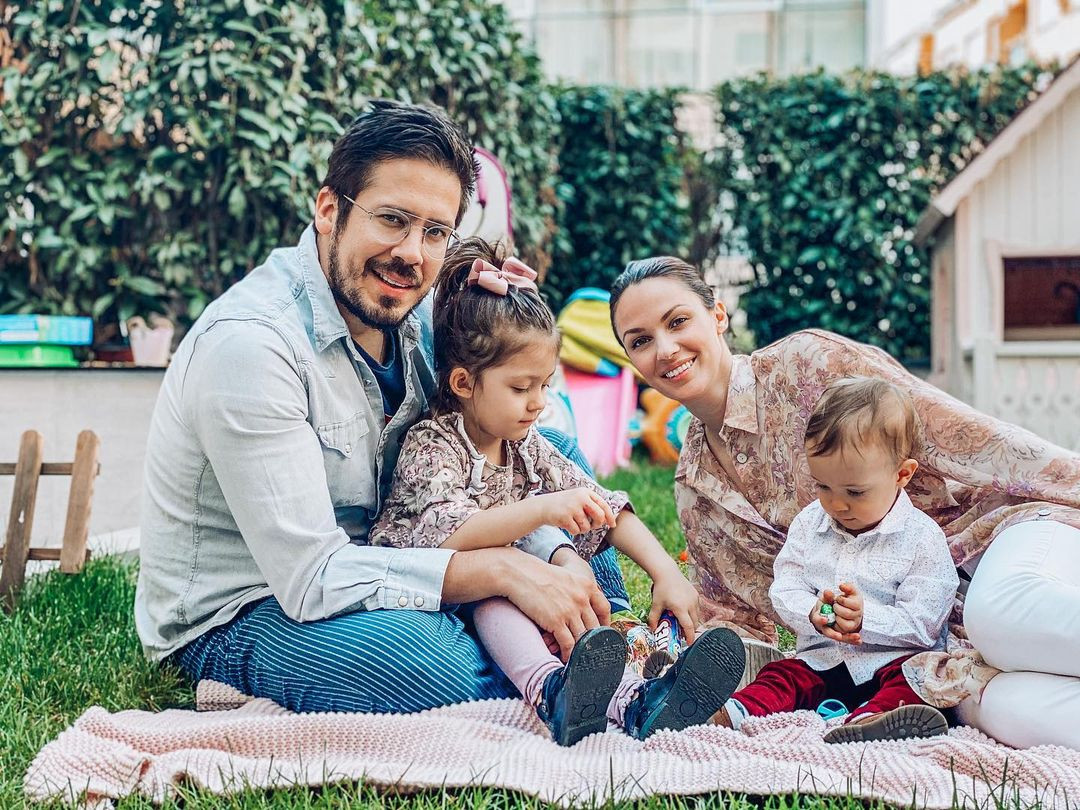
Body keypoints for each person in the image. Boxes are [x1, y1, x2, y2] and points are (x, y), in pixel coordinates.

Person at [133, 100, 632, 715]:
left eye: (435, 232)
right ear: (328, 210)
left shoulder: (413, 310)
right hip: (252, 607)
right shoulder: (251, 348)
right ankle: (548, 662)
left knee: (553, 454)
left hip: (399, 547)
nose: (412, 253)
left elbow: (501, 420)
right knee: (427, 662)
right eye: (393, 219)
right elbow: (312, 579)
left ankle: (617, 643)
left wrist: (488, 308)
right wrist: (503, 570)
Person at [608, 256, 1080, 750]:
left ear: (718, 315)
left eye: (678, 321)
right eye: (640, 341)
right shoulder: (695, 487)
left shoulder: (808, 364)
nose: (665, 349)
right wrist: (657, 658)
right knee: (1006, 710)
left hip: (999, 538)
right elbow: (735, 619)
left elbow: (973, 439)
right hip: (929, 647)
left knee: (999, 617)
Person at [370, 238, 746, 744]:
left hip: (523, 590)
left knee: (563, 578)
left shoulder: (523, 444)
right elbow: (451, 536)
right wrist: (544, 510)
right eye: (521, 388)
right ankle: (548, 690)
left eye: (545, 385)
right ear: (463, 382)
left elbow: (604, 506)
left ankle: (635, 701)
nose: (537, 403)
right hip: (447, 596)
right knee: (500, 590)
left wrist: (665, 573)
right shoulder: (434, 444)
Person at [712, 378, 957, 743]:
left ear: (902, 474)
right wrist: (811, 612)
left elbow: (925, 624)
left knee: (920, 680)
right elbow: (786, 588)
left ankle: (872, 720)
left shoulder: (922, 538)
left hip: (892, 660)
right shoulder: (809, 524)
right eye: (823, 486)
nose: (837, 504)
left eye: (855, 492)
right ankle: (730, 713)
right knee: (782, 677)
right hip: (823, 659)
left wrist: (865, 619)